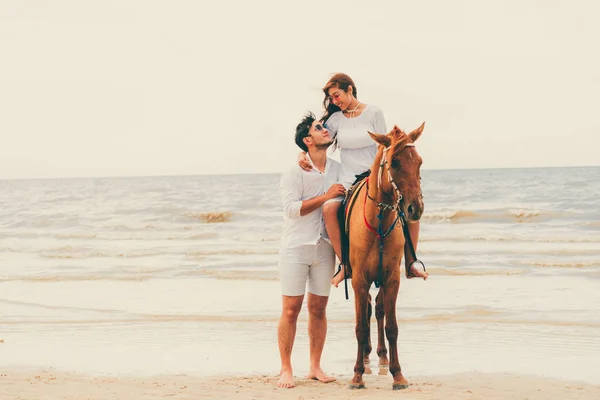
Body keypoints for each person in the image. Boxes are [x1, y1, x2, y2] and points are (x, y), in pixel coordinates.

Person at [298, 73, 428, 287]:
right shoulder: (334, 120)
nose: (334, 101)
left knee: (411, 205)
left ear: (350, 89)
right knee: (330, 209)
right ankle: (345, 265)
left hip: (374, 176)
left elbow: (384, 146)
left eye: (336, 95)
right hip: (349, 180)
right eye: (331, 98)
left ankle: (411, 262)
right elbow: (316, 141)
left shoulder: (374, 112)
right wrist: (301, 155)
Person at [277, 112, 345, 389]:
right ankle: (285, 368)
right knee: (291, 309)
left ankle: (315, 366)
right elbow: (291, 210)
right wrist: (326, 196)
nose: (325, 130)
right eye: (319, 128)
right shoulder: (294, 171)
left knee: (318, 308)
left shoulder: (338, 168)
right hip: (295, 247)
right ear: (308, 140)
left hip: (325, 247)